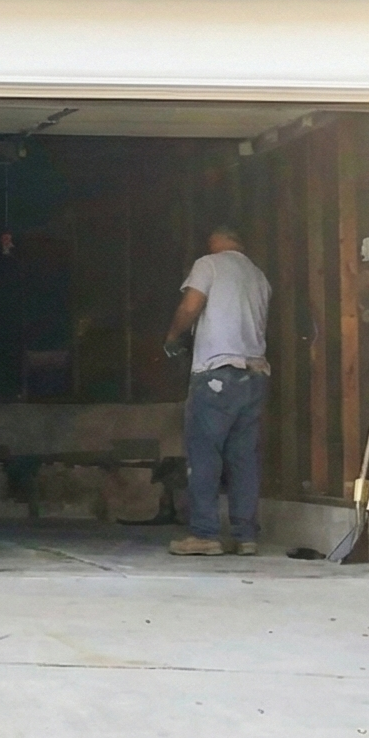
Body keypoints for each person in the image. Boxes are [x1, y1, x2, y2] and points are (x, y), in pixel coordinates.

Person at [164, 226, 273, 556]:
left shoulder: (209, 264)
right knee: (243, 459)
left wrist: (172, 339)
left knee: (205, 454)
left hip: (217, 374)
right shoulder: (259, 277)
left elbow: (189, 307)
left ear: (215, 241)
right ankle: (245, 535)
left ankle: (205, 533)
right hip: (254, 376)